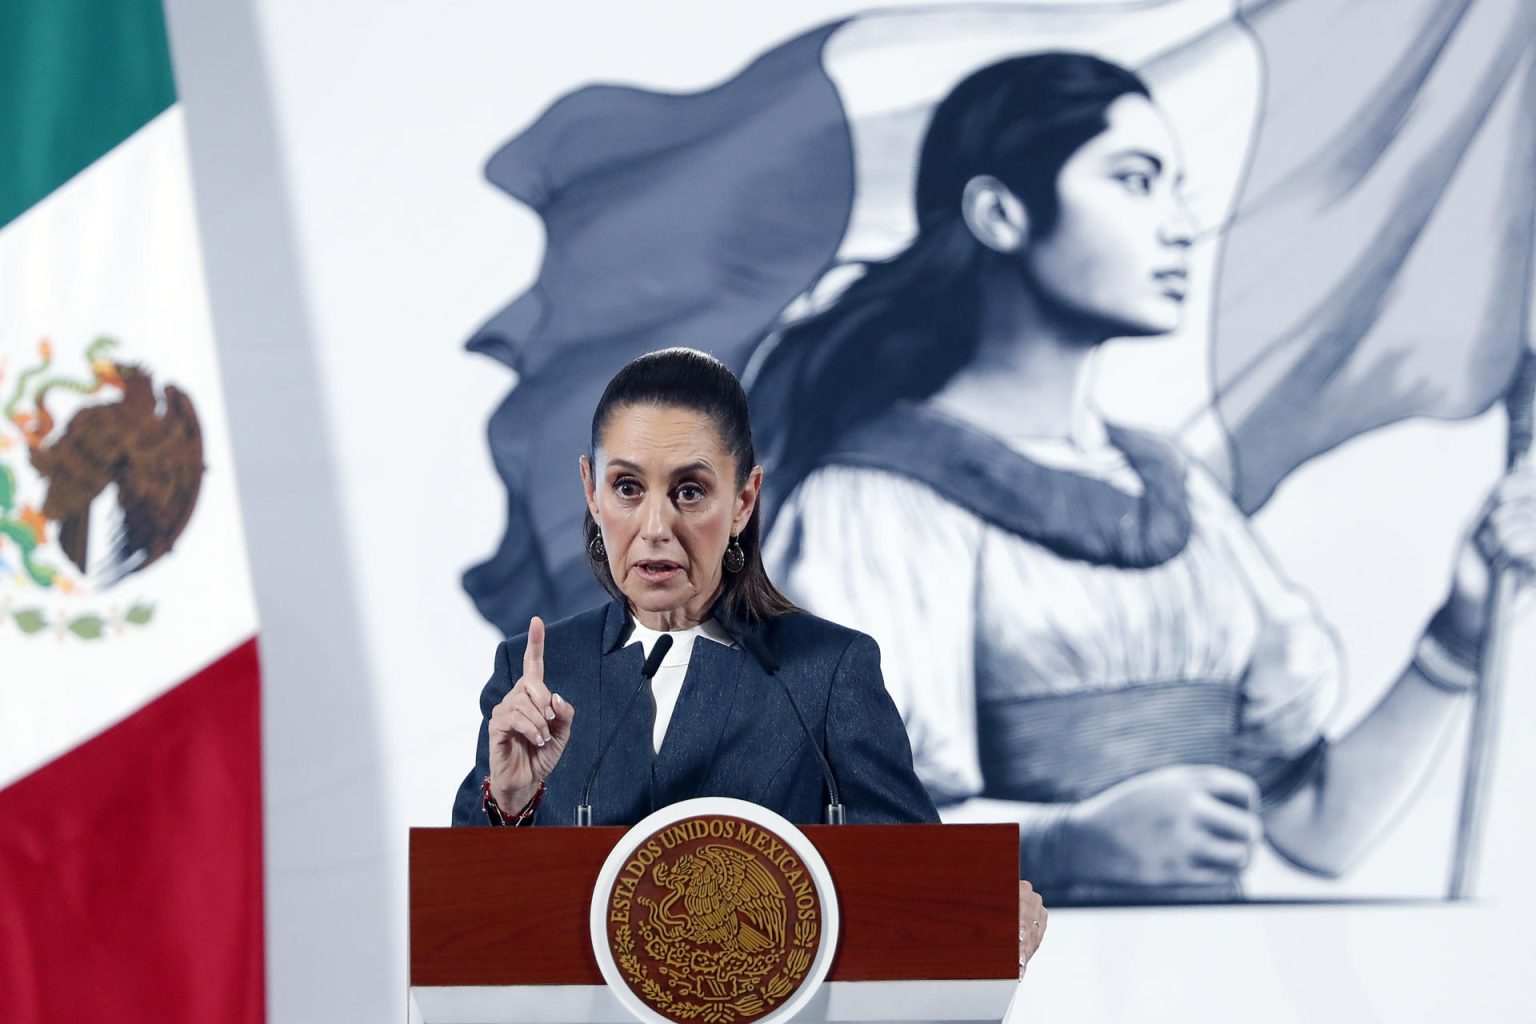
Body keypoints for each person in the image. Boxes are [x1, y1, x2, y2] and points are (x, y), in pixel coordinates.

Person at [751, 53, 1536, 904]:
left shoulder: (1181, 494)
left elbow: (1318, 827)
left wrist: (1459, 632)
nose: (1179, 225)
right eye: (1136, 181)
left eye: (1176, 187)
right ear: (1000, 213)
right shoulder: (874, 506)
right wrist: (1058, 845)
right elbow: (837, 848)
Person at [450, 348, 1047, 963]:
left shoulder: (826, 671)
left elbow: (920, 900)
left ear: (743, 500)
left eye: (689, 491)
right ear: (591, 492)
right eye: (627, 487)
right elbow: (463, 931)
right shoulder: (536, 672)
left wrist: (988, 923)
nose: (655, 525)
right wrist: (511, 806)